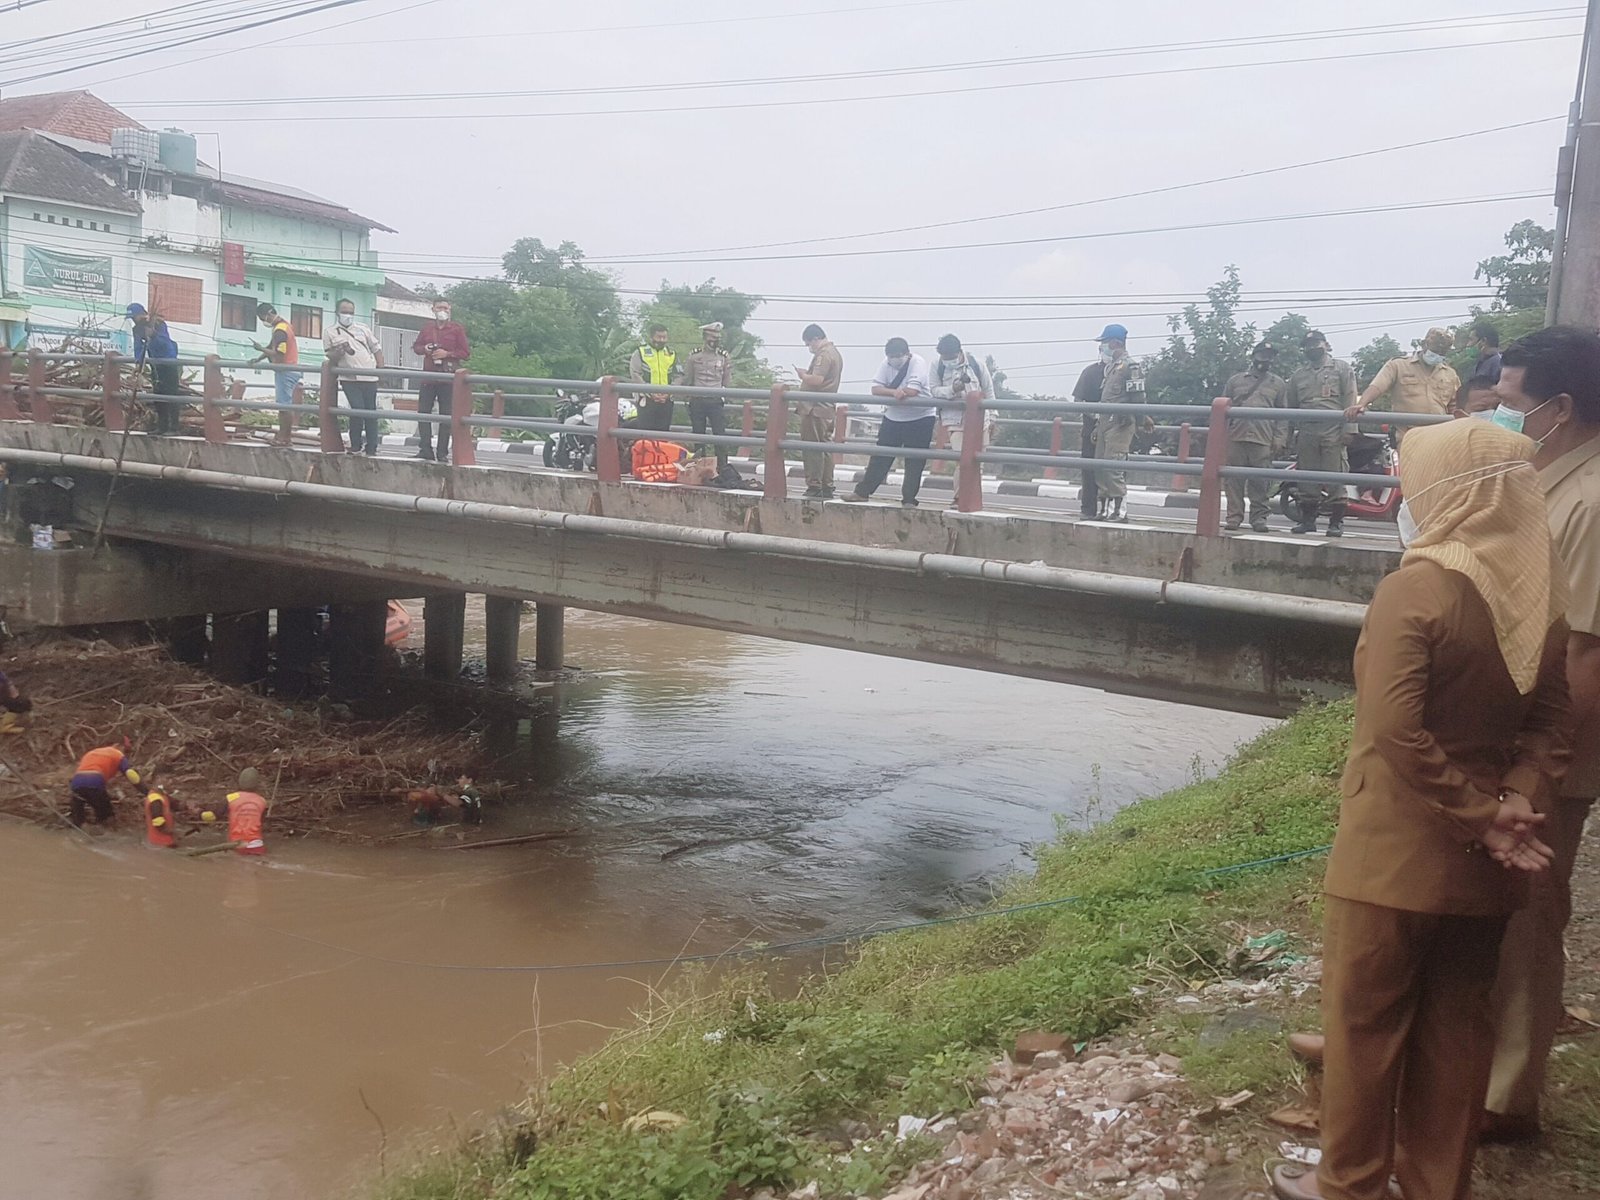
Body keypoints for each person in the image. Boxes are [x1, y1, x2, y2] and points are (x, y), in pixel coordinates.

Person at [1271, 418, 1571, 1200]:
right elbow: (1548, 724)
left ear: (1448, 490)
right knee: (1457, 1029)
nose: (1407, 490)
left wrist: (1477, 814)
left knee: (1365, 1025)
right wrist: (1513, 803)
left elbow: (1394, 731)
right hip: (1487, 865)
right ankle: (1436, 1184)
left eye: (1416, 476)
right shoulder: (1538, 596)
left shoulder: (1419, 586)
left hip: (1393, 852)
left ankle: (1351, 1183)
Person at [1480, 325, 1600, 1143]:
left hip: (1550, 756)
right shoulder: (1544, 481)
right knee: (1480, 908)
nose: (1500, 416)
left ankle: (1503, 1099)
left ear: (1558, 408)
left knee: (1526, 916)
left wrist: (1536, 775)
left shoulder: (1590, 502)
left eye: (1510, 402)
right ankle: (1450, 1056)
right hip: (1511, 742)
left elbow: (1587, 658)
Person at [844, 338, 936, 507]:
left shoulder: (918, 363)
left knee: (914, 460)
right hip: (893, 416)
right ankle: (862, 493)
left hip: (920, 418)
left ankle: (909, 500)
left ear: (907, 354)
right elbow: (875, 389)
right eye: (891, 356)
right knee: (881, 456)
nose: (894, 360)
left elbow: (912, 391)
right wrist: (894, 392)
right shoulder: (886, 364)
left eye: (897, 356)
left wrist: (892, 392)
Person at [1285, 330, 1358, 537]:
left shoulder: (1341, 369)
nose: (1312, 348)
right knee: (1307, 477)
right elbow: (1291, 407)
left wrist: (1349, 430)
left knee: (1335, 476)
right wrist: (1288, 436)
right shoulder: (1298, 375)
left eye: (1316, 343)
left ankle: (1336, 523)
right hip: (1307, 429)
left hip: (1333, 429)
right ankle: (1308, 521)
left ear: (1326, 344)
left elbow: (1350, 400)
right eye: (1307, 345)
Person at [1222, 341, 1288, 532]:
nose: (1266, 359)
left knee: (1260, 481)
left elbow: (1284, 414)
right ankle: (1234, 517)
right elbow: (1222, 408)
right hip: (1236, 436)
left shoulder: (1278, 384)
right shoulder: (1236, 381)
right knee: (1233, 480)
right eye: (1262, 355)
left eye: (1269, 356)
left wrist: (1280, 439)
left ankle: (1259, 519)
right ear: (1254, 356)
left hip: (1263, 438)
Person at [1348, 327, 1462, 436]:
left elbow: (1456, 405)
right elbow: (1377, 386)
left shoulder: (1450, 374)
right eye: (1435, 350)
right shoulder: (1398, 365)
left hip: (1439, 433)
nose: (1437, 355)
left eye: (1442, 353)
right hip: (1407, 433)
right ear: (1424, 344)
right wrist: (1361, 404)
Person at [783, 323, 844, 498]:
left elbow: (817, 380)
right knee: (824, 447)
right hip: (826, 407)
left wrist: (803, 376)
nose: (809, 347)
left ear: (816, 339)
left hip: (815, 408)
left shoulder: (824, 355)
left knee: (812, 448)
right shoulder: (835, 353)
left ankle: (814, 485)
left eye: (809, 343)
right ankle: (827, 485)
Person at [1092, 324, 1143, 523]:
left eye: (1104, 343)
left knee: (1113, 466)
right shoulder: (1111, 368)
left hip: (1121, 423)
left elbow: (1138, 397)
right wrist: (1097, 426)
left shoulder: (1131, 366)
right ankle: (1103, 509)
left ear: (1114, 342)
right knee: (1100, 466)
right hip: (1105, 422)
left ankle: (1120, 512)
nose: (1103, 347)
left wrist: (1140, 420)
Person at [324, 299, 385, 456]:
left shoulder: (363, 329)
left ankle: (372, 447)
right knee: (357, 410)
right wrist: (339, 351)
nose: (347, 315)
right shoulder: (331, 332)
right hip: (349, 377)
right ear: (337, 312)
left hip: (369, 376)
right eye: (344, 311)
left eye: (351, 312)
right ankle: (356, 445)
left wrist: (380, 369)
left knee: (371, 412)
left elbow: (376, 349)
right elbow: (329, 354)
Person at [411, 299, 470, 462]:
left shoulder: (456, 329)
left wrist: (447, 354)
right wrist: (426, 349)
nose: (442, 310)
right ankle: (425, 449)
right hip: (428, 377)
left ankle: (442, 452)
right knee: (423, 413)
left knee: (446, 416)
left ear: (450, 310)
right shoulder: (427, 328)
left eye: (445, 308)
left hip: (447, 379)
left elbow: (465, 352)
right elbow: (416, 347)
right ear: (433, 309)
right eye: (439, 308)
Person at [930, 334, 997, 474]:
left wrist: (992, 417)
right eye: (944, 357)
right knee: (963, 461)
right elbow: (934, 390)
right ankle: (960, 496)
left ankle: (971, 496)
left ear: (959, 352)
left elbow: (988, 391)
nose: (947, 361)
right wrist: (952, 390)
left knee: (978, 463)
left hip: (980, 420)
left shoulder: (976, 365)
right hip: (954, 420)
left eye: (950, 357)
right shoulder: (937, 366)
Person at [680, 322, 733, 470]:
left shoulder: (723, 357)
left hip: (715, 400)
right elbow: (688, 379)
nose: (714, 340)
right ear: (705, 338)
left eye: (717, 337)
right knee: (698, 435)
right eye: (712, 337)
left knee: (720, 435)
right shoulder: (694, 356)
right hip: (697, 400)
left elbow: (727, 380)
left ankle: (722, 468)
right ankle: (700, 468)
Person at [126, 303, 182, 436]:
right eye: (132, 318)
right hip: (155, 364)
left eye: (135, 317)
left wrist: (154, 334)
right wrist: (138, 363)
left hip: (168, 361)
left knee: (171, 394)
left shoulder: (158, 324)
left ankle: (174, 428)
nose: (134, 320)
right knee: (158, 394)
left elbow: (164, 342)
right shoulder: (137, 330)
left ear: (142, 314)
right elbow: (138, 347)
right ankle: (162, 427)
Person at [69, 739, 140, 827]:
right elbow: (130, 774)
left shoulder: (92, 753)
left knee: (78, 820)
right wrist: (146, 791)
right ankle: (107, 835)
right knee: (107, 816)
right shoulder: (118, 754)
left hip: (76, 782)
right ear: (117, 745)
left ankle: (80, 829)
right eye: (126, 750)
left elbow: (85, 770)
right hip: (94, 781)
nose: (126, 754)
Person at [1071, 356, 1107, 517]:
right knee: (1088, 469)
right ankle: (1088, 509)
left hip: (1114, 430)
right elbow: (1077, 399)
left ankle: (1109, 510)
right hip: (1090, 430)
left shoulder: (1123, 371)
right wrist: (1093, 414)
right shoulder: (1090, 372)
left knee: (1111, 472)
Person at [251, 303, 301, 416]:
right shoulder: (284, 325)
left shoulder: (280, 330)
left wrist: (260, 348)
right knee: (285, 404)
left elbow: (279, 354)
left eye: (262, 318)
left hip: (285, 370)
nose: (263, 321)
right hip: (290, 368)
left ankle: (285, 432)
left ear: (268, 314)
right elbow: (271, 347)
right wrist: (258, 359)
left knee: (284, 406)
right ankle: (285, 431)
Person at [628, 323, 679, 433]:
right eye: (659, 337)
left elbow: (679, 375)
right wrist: (650, 393)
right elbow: (635, 374)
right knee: (645, 434)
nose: (662, 340)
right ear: (651, 337)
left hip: (666, 400)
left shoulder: (671, 354)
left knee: (663, 435)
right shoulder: (640, 352)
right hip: (647, 400)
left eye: (664, 337)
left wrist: (669, 392)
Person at [205, 768, 268, 855]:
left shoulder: (231, 798)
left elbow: (214, 816)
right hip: (257, 845)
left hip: (236, 844)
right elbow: (261, 821)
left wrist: (201, 815)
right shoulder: (262, 801)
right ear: (257, 784)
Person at [1470, 319, 1503, 384]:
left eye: (1471, 339)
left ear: (1483, 341)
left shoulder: (1498, 363)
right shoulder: (1481, 363)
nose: (1468, 344)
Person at [0, 668, 30, 735]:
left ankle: (7, 723)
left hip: (4, 692)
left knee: (22, 703)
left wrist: (11, 688)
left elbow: (5, 680)